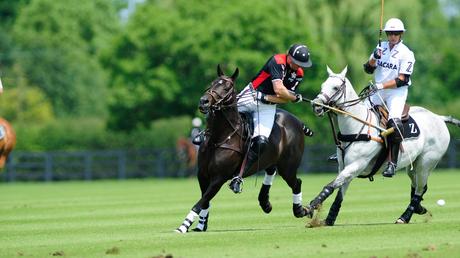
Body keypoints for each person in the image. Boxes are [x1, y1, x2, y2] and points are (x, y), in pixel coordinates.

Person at [230, 43, 314, 190]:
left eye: (301, 64)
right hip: (251, 95)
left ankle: (238, 176)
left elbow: (284, 98)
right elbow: (280, 90)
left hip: (267, 107)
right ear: (289, 57)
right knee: (225, 112)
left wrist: (270, 98)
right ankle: (203, 133)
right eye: (296, 62)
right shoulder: (277, 61)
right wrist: (293, 97)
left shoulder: (299, 74)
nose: (298, 66)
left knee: (261, 142)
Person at [364, 18, 415, 177]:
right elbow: (368, 69)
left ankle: (392, 163)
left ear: (401, 34)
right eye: (390, 33)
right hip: (378, 89)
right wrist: (373, 58)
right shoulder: (381, 48)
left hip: (396, 92)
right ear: (386, 34)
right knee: (359, 113)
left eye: (396, 33)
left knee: (394, 121)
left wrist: (381, 86)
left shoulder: (407, 53)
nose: (392, 36)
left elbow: (402, 80)